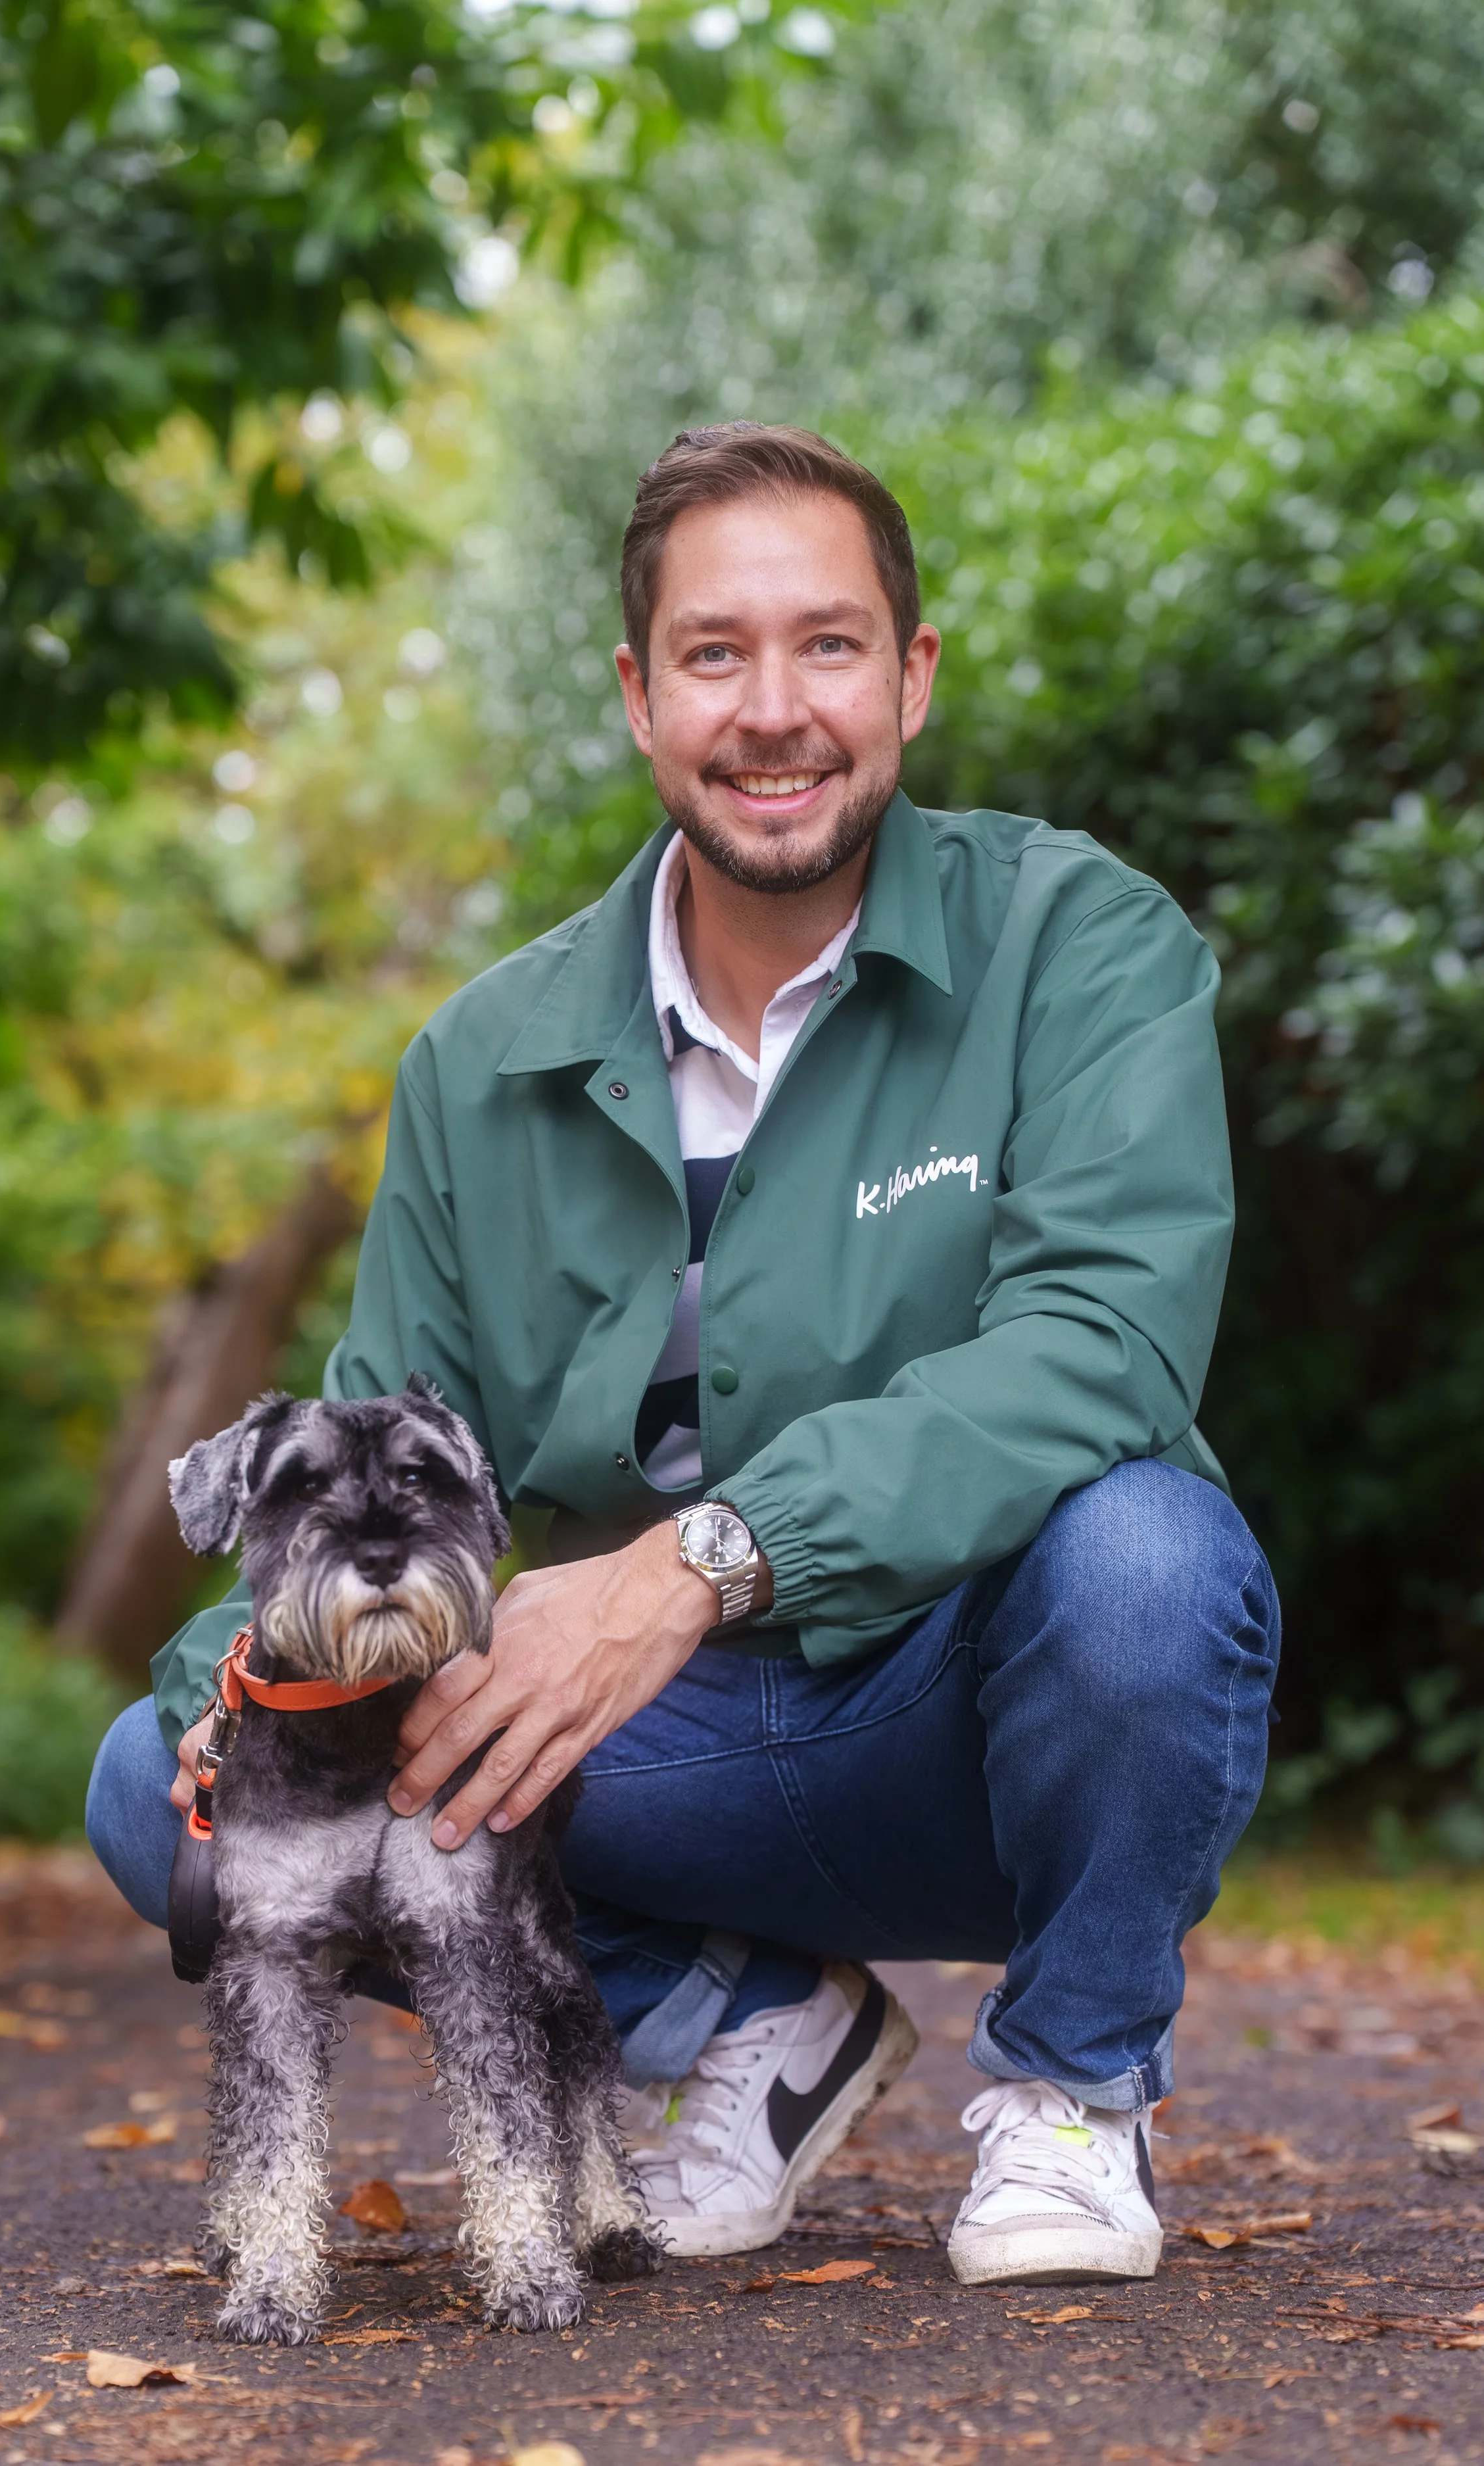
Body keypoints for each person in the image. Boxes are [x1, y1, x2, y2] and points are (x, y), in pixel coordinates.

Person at [87, 422, 1280, 2287]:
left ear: (912, 674)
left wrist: (691, 1565)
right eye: (715, 654)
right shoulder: (480, 1061)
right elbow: (364, 1476)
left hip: (979, 1715)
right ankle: (746, 2016)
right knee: (168, 1778)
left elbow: (1101, 1341)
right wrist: (211, 1693)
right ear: (642, 700)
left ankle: (1072, 2077)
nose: (774, 708)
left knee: (1147, 1550)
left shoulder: (1081, 938)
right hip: (651, 1758)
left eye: (827, 644)